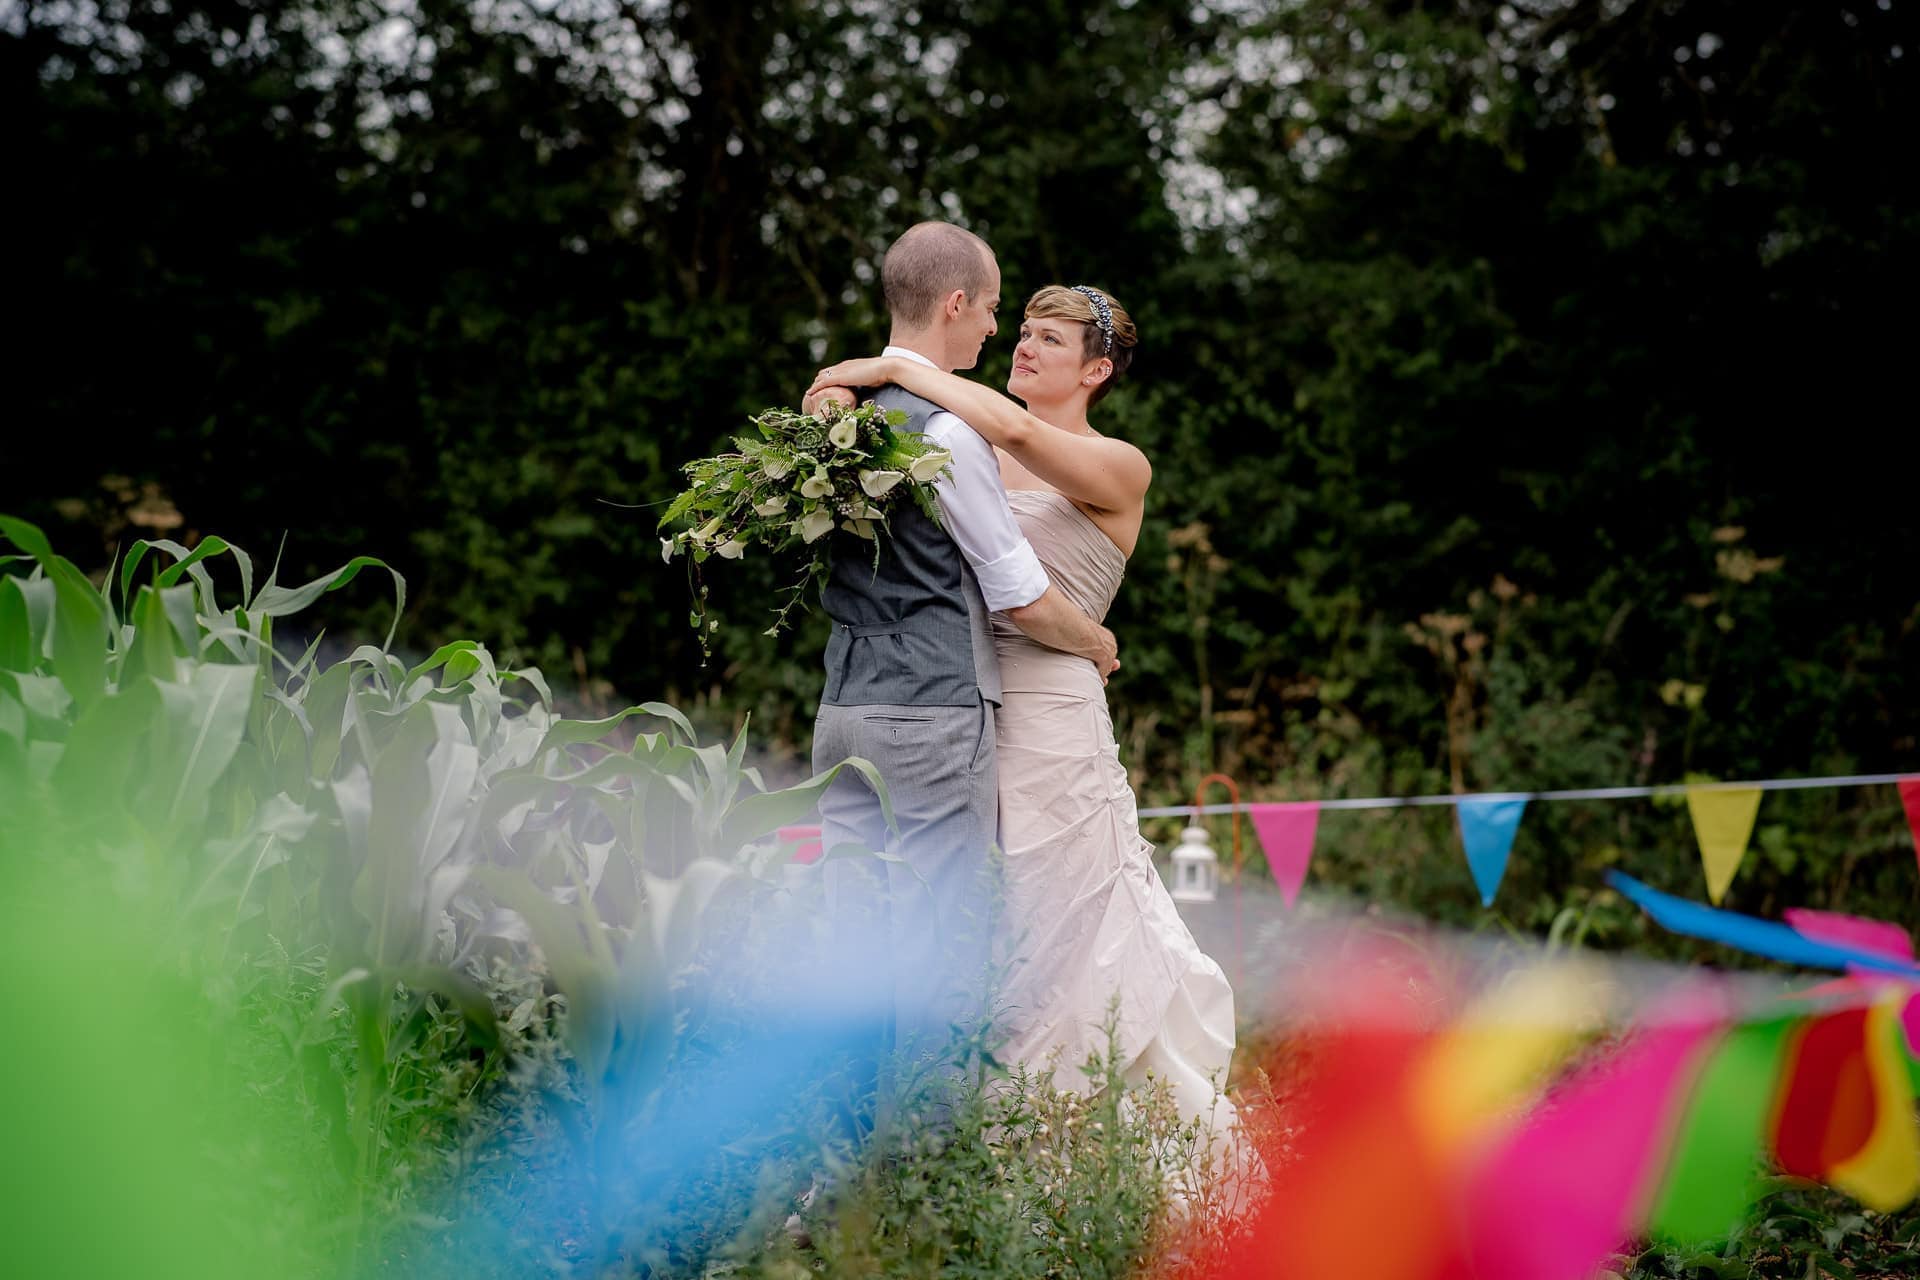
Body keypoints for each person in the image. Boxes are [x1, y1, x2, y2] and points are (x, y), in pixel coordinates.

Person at [806, 285, 1240, 1141]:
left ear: (1098, 369)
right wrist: (836, 394)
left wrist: (896, 365)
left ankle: (1064, 1141)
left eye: (1048, 340)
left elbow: (1019, 432)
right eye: (1025, 333)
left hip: (1051, 713)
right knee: (975, 920)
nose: (1025, 348)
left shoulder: (1118, 464)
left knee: (1059, 922)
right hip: (960, 705)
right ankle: (951, 1132)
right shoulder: (962, 435)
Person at [808, 223, 1119, 1092]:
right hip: (933, 715)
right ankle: (922, 1178)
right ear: (955, 305)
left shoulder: (834, 412)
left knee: (851, 950)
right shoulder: (943, 434)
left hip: (842, 711)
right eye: (989, 311)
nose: (996, 330)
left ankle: (836, 1167)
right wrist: (1096, 640)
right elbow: (1016, 592)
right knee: (939, 950)